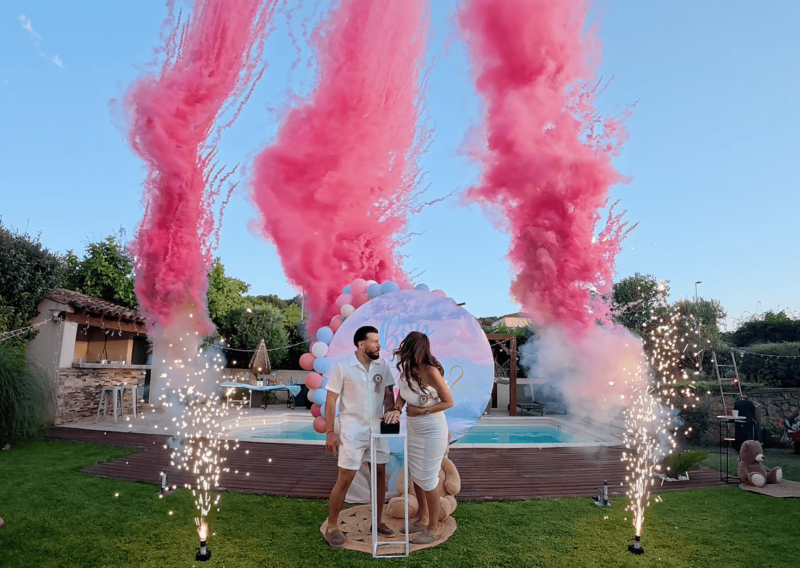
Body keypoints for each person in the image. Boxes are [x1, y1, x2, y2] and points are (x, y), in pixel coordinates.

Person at [323, 325, 397, 548]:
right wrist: (329, 432)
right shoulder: (344, 367)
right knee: (344, 479)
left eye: (378, 341)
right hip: (352, 433)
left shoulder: (382, 365)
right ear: (361, 344)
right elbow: (330, 401)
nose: (379, 345)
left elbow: (388, 394)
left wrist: (390, 411)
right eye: (374, 341)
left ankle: (377, 522)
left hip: (377, 431)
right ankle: (332, 526)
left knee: (380, 475)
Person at [384, 331, 453, 545]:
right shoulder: (407, 369)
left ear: (417, 349)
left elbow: (448, 402)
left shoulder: (431, 371)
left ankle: (433, 528)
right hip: (414, 430)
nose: (404, 353)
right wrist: (397, 408)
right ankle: (422, 518)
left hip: (432, 429)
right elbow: (401, 393)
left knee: (429, 478)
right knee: (416, 475)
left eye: (408, 348)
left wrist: (422, 412)